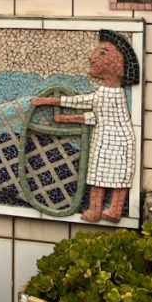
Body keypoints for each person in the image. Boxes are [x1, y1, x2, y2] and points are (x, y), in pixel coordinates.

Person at [31, 30, 139, 222]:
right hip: (107, 137)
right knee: (102, 174)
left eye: (102, 53)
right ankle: (102, 210)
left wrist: (48, 101)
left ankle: (108, 210)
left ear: (117, 62)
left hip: (115, 142)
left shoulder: (110, 93)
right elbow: (97, 117)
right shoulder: (107, 94)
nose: (91, 57)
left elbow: (83, 103)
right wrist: (66, 119)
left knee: (110, 175)